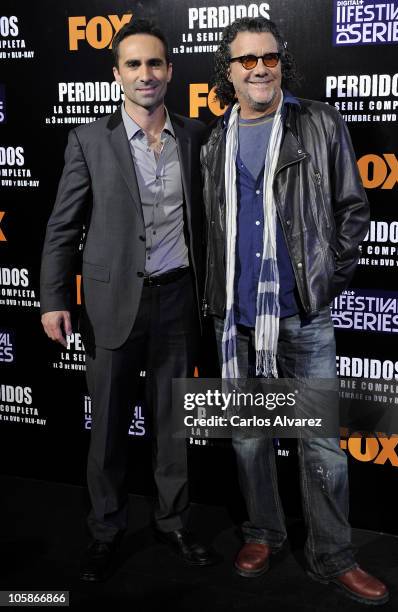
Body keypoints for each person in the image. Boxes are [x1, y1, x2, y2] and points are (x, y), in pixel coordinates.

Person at [201, 16, 388, 605]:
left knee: (322, 448)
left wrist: (321, 279)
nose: (260, 68)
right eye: (247, 60)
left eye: (270, 57)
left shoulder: (318, 123)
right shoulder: (212, 143)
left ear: (282, 62)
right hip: (236, 319)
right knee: (250, 439)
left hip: (303, 316)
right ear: (228, 72)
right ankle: (263, 531)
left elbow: (352, 210)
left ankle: (333, 554)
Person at [40, 18, 217, 582]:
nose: (147, 74)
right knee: (109, 427)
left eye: (156, 63)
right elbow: (62, 227)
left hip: (178, 302)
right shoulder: (89, 139)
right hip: (112, 305)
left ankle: (173, 523)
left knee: (172, 425)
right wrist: (51, 298)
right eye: (134, 65)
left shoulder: (196, 136)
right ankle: (106, 530)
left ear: (170, 70)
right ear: (117, 75)